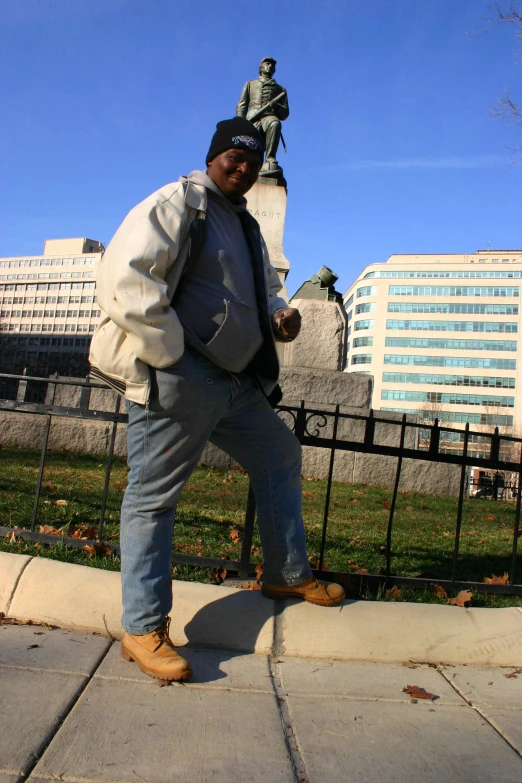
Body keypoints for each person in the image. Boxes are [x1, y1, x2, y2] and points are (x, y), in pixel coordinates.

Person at [89, 117, 345, 683]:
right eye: (234, 156)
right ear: (213, 157)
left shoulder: (246, 225)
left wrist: (278, 312)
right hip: (183, 376)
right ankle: (142, 626)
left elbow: (259, 287)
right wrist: (171, 354)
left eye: (253, 160)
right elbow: (125, 279)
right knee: (152, 499)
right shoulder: (179, 201)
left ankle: (285, 572)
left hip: (238, 384)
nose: (244, 166)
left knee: (280, 455)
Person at [236, 57, 289, 179]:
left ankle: (270, 159)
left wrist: (276, 106)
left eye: (272, 65)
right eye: (267, 63)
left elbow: (285, 113)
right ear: (260, 68)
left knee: (275, 124)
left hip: (269, 116)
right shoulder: (250, 84)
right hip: (253, 116)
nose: (270, 66)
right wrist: (240, 123)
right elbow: (242, 105)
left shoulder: (280, 89)